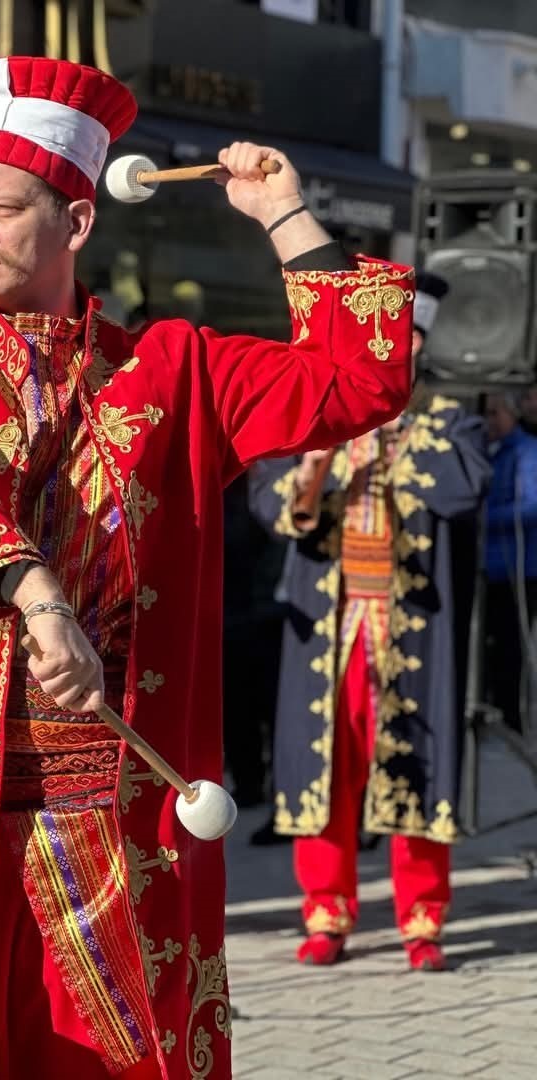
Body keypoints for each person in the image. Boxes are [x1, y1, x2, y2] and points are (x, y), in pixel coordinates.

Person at [0, 57, 416, 1080]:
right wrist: (33, 589)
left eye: (3, 209)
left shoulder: (176, 369)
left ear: (78, 222)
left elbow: (359, 382)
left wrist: (285, 215)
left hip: (117, 814)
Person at [251, 272, 489, 972]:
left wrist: (395, 428)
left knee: (413, 760)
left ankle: (424, 919)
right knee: (326, 766)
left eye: (405, 341)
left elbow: (466, 488)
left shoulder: (449, 417)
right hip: (329, 623)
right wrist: (318, 465)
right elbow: (269, 503)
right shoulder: (315, 409)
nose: (392, 350)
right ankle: (326, 910)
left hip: (411, 621)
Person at [482, 389, 537, 736]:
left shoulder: (526, 453)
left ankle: (512, 717)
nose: (488, 422)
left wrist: (484, 517)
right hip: (492, 566)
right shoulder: (493, 452)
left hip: (518, 569)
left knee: (511, 643)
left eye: (493, 414)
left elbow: (532, 506)